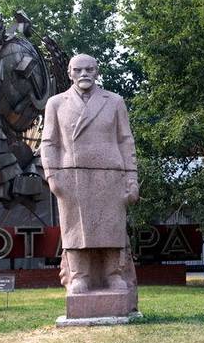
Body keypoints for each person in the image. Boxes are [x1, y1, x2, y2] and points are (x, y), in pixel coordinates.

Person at [41, 54, 139, 294]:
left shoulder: (114, 101)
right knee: (75, 229)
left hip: (110, 174)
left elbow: (126, 140)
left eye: (89, 69)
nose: (84, 74)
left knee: (111, 228)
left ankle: (113, 275)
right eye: (78, 70)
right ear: (69, 73)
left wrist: (132, 177)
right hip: (71, 175)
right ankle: (79, 276)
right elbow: (48, 142)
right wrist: (52, 175)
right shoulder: (56, 103)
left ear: (97, 72)